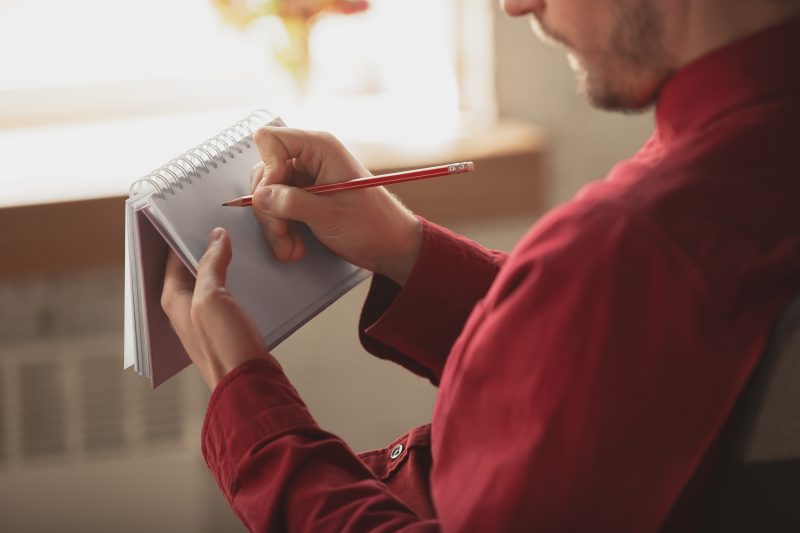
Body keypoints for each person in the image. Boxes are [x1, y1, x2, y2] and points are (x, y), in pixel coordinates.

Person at [160, 0, 800, 530]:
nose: (516, 5)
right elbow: (618, 349)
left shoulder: (638, 241)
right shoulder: (738, 171)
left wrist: (244, 394)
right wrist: (404, 248)